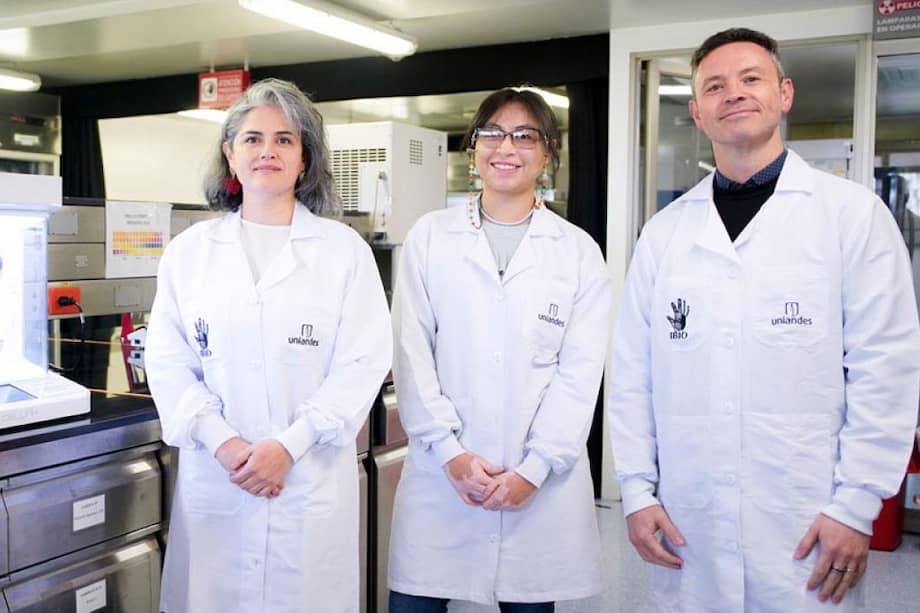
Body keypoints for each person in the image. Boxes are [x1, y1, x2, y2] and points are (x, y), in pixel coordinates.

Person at [608, 27, 920, 612]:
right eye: (715, 86)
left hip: (805, 521)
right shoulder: (665, 233)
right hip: (688, 523)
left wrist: (856, 506)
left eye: (751, 79)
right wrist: (635, 493)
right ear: (697, 112)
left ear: (785, 94)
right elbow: (632, 376)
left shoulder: (852, 217)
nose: (735, 94)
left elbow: (887, 371)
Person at [145, 78, 392, 613]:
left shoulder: (343, 252)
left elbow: (363, 362)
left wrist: (289, 446)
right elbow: (167, 362)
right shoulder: (190, 253)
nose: (267, 152)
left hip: (306, 479)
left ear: (305, 159)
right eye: (253, 138)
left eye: (285, 140)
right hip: (219, 477)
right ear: (229, 154)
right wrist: (226, 444)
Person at [387, 88, 611, 612]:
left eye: (525, 135)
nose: (505, 147)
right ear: (473, 148)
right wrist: (451, 454)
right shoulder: (429, 238)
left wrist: (534, 470)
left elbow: (580, 376)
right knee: (416, 601)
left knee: (527, 603)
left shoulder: (578, 252)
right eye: (491, 133)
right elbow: (412, 353)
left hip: (539, 488)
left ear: (548, 153)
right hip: (442, 480)